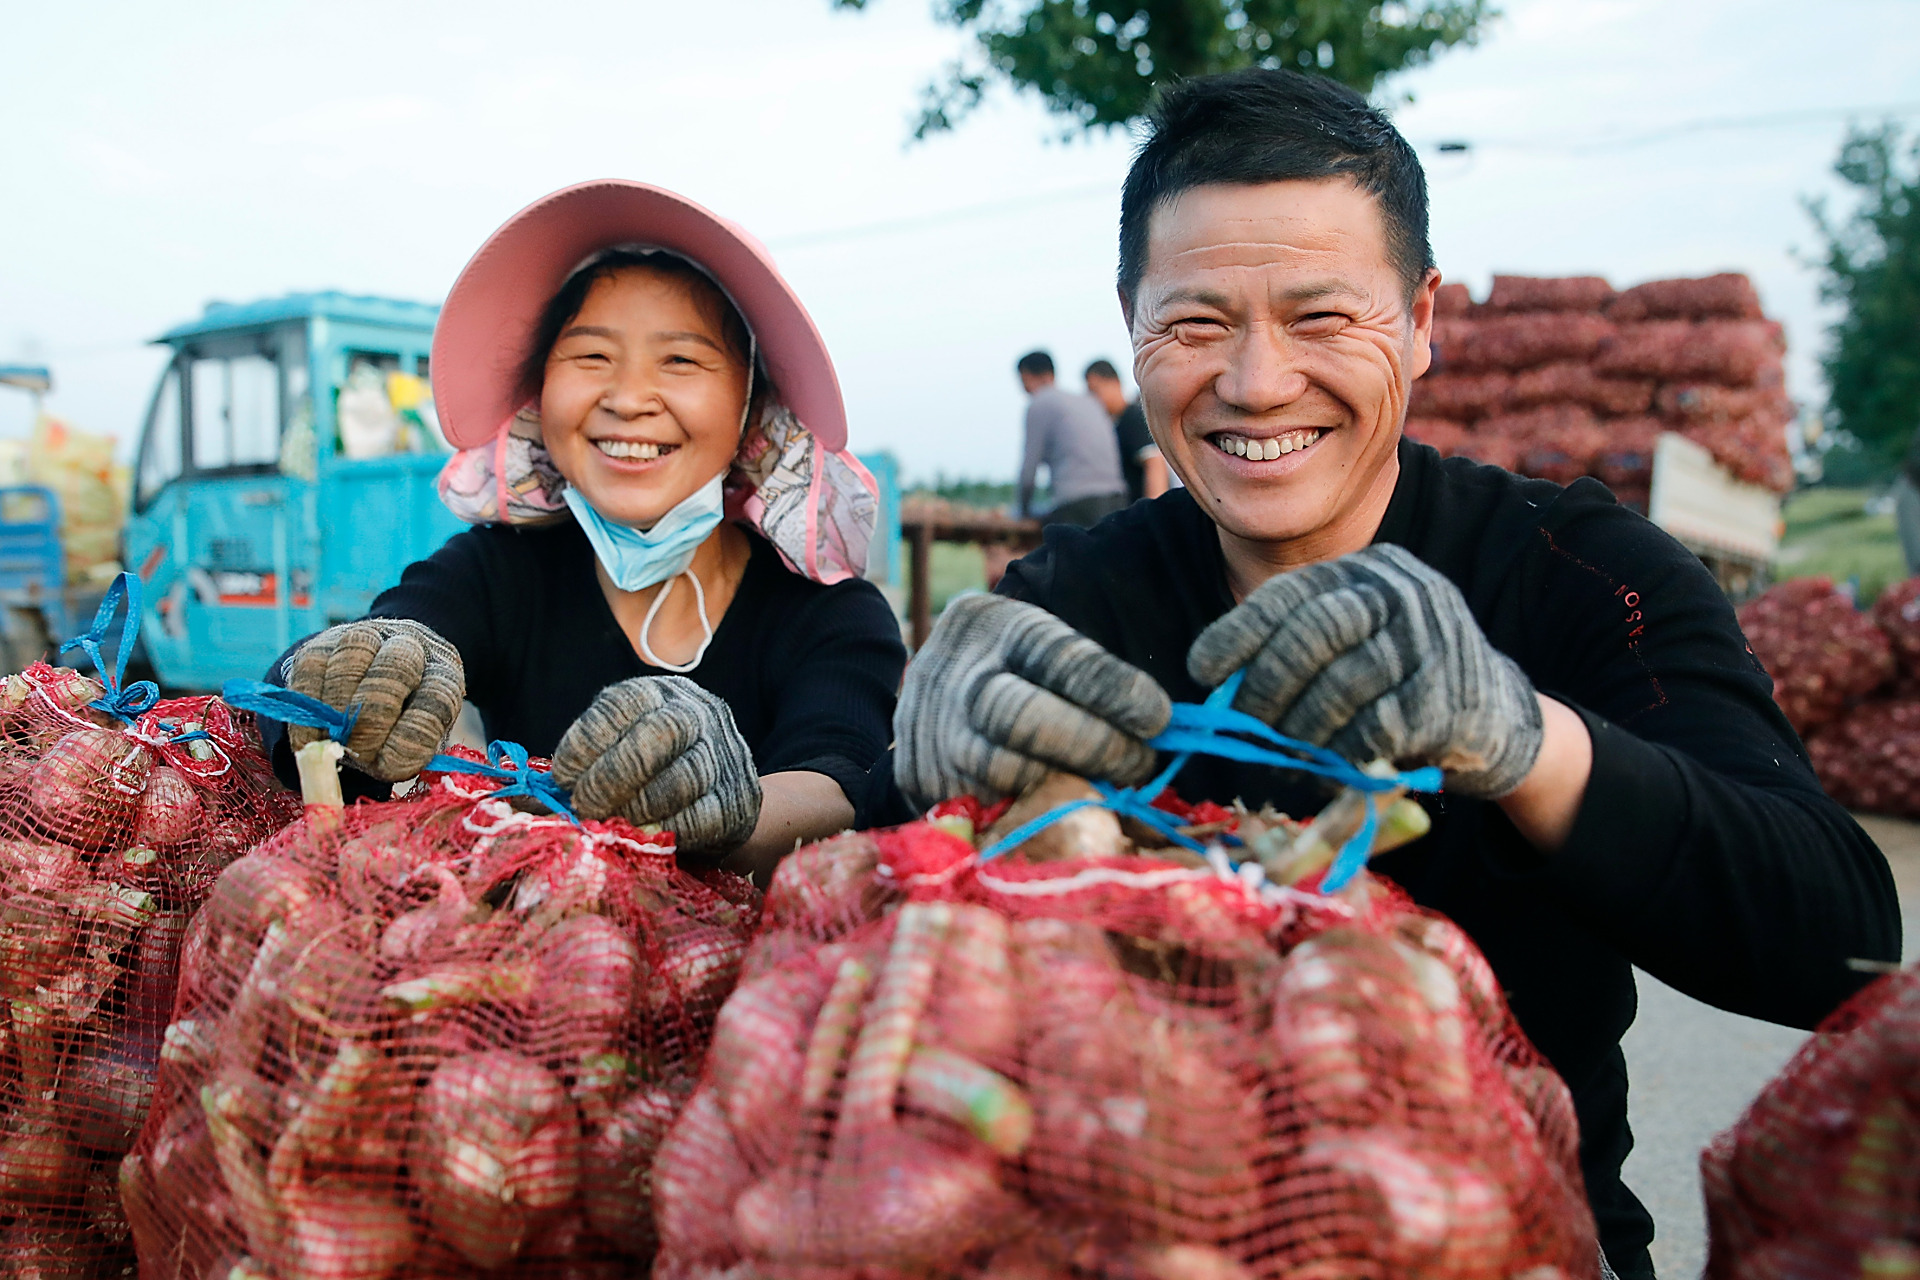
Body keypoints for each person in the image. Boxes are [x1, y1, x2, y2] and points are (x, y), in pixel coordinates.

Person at [893, 71, 1901, 1278]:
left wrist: (1526, 740)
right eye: (1198, 323)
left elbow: (1836, 939)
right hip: (1130, 1236)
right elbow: (875, 857)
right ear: (1133, 323)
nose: (1258, 382)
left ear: (1422, 318)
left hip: (1505, 1242)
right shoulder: (1072, 597)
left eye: (1322, 318)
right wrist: (908, 750)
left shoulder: (1582, 571)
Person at [265, 179, 907, 880]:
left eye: (681, 360)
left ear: (753, 413)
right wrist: (354, 670)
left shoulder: (831, 613)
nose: (628, 399)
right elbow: (395, 631)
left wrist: (736, 804)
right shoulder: (501, 570)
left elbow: (841, 780)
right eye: (592, 356)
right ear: (542, 396)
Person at [1014, 350, 1127, 527]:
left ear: (1026, 377)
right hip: (1117, 498)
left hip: (1077, 504)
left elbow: (1029, 468)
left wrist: (1023, 511)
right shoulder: (1088, 402)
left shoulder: (1039, 403)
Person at [1085, 357, 1170, 502]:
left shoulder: (1133, 418)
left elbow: (1155, 463)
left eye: (1095, 390)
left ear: (1115, 383)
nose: (1093, 399)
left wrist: (1153, 515)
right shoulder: (1115, 424)